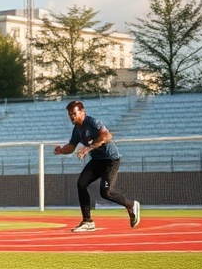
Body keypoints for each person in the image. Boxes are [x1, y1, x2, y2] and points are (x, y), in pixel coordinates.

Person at [53, 100, 140, 233]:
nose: (72, 117)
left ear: (82, 112)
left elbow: (106, 136)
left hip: (110, 160)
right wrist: (61, 150)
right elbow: (71, 146)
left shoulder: (93, 122)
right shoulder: (77, 129)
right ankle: (87, 222)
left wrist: (88, 148)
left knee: (105, 193)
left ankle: (131, 205)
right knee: (81, 184)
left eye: (74, 114)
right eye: (70, 115)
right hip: (97, 161)